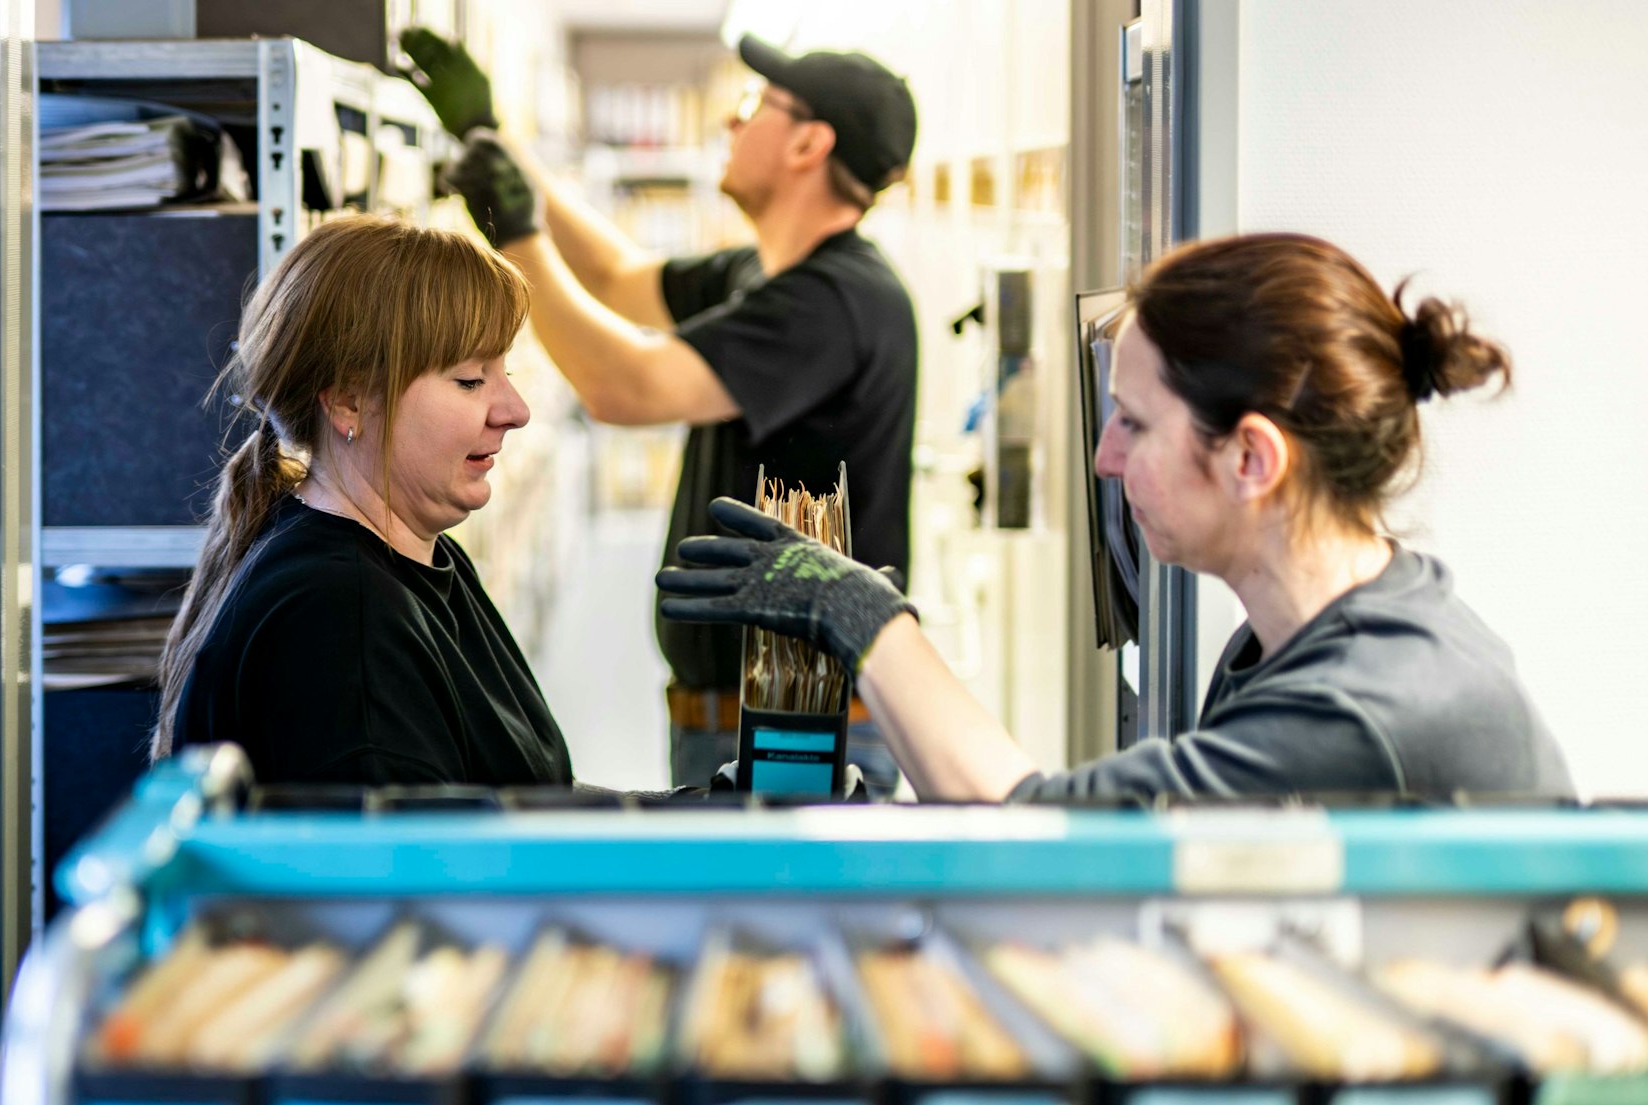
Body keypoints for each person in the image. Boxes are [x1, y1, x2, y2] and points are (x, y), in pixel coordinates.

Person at [656, 233, 1576, 803]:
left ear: (1252, 458)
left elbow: (1042, 838)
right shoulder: (1294, 639)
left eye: (1133, 424)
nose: (1104, 458)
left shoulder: (1362, 708)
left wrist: (861, 619)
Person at [401, 28, 921, 793]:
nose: (730, 122)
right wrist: (496, 143)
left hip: (794, 726)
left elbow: (625, 386)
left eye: (755, 106)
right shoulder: (763, 272)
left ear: (809, 143)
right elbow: (615, 276)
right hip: (729, 710)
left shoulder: (834, 303)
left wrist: (515, 233)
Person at [152, 214, 573, 788]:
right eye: (471, 380)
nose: (515, 410)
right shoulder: (338, 622)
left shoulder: (415, 558)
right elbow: (417, 871)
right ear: (349, 402)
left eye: (506, 371)